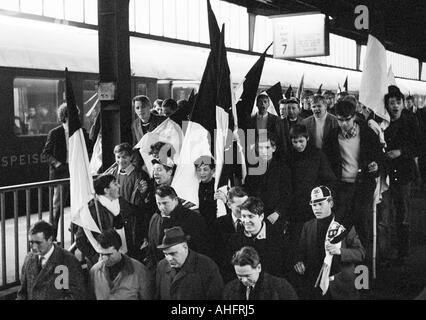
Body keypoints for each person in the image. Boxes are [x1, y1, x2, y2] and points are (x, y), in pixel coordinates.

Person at [322, 100, 382, 253]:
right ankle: (340, 260)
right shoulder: (332, 136)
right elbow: (326, 162)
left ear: (354, 116)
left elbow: (379, 157)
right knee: (341, 223)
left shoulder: (368, 133)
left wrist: (375, 167)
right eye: (340, 120)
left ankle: (367, 261)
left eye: (347, 119)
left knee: (362, 221)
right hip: (342, 186)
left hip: (363, 185)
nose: (344, 123)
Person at [294, 186, 365, 300]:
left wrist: (339, 251)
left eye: (320, 204)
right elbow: (301, 253)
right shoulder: (307, 226)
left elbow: (361, 253)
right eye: (313, 204)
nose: (316, 208)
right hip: (317, 288)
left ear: (330, 203)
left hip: (341, 287)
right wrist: (299, 262)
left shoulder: (343, 226)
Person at [383, 85, 421, 264]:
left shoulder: (410, 120)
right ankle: (385, 250)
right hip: (385, 174)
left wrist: (401, 152)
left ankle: (402, 252)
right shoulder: (381, 122)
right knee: (386, 214)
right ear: (387, 104)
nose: (396, 106)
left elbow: (419, 146)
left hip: (403, 173)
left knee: (402, 213)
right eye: (392, 103)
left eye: (398, 102)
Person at [41, 103, 91, 240]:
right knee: (57, 208)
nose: (77, 118)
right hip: (61, 173)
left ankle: (78, 233)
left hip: (76, 171)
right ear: (65, 116)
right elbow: (45, 154)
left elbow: (90, 147)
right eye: (74, 115)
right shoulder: (55, 133)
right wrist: (57, 164)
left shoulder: (80, 132)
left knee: (81, 203)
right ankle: (52, 237)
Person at [287, 124, 336, 253]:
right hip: (295, 208)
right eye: (295, 142)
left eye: (301, 141)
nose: (298, 145)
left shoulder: (318, 155)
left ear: (307, 138)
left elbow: (329, 180)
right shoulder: (288, 156)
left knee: (313, 242)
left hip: (314, 208)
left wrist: (321, 200)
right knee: (296, 242)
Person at [75, 175, 141, 266]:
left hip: (125, 258)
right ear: (106, 190)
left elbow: (137, 214)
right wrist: (97, 257)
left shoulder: (121, 202)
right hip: (104, 263)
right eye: (115, 184)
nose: (119, 186)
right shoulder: (92, 211)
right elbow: (80, 241)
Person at [226, 197, 292, 282]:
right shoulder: (235, 240)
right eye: (243, 216)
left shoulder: (278, 237)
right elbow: (230, 270)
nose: (246, 221)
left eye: (250, 216)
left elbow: (286, 268)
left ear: (261, 216)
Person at [145, 185, 210, 270]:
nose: (161, 207)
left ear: (175, 200)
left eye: (165, 203)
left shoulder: (193, 219)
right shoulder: (155, 218)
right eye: (159, 203)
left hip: (187, 272)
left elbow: (201, 249)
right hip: (161, 272)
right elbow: (151, 249)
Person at [17, 220, 86, 300]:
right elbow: (22, 293)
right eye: (31, 242)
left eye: (38, 243)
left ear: (50, 240)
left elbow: (76, 296)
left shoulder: (68, 261)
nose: (34, 247)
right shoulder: (28, 259)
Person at [155, 226, 224, 300]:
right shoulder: (162, 266)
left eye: (173, 253)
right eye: (165, 254)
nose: (169, 259)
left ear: (185, 247)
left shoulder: (207, 266)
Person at [89, 229, 154, 300]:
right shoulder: (94, 272)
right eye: (101, 254)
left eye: (109, 255)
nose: (104, 259)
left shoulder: (140, 271)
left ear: (119, 249)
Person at [244, 134, 292, 228]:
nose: (263, 151)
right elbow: (247, 190)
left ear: (273, 148)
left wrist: (278, 212)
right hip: (255, 215)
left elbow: (287, 194)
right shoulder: (253, 167)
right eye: (260, 148)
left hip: (274, 216)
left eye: (267, 147)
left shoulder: (283, 168)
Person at [223, 246, 298, 300]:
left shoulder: (281, 287)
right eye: (239, 276)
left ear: (259, 268)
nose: (244, 280)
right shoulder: (229, 289)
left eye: (247, 275)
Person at [212, 187, 248, 269]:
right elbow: (215, 253)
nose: (244, 209)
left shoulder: (255, 223)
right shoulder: (218, 224)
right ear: (229, 205)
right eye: (239, 206)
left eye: (246, 205)